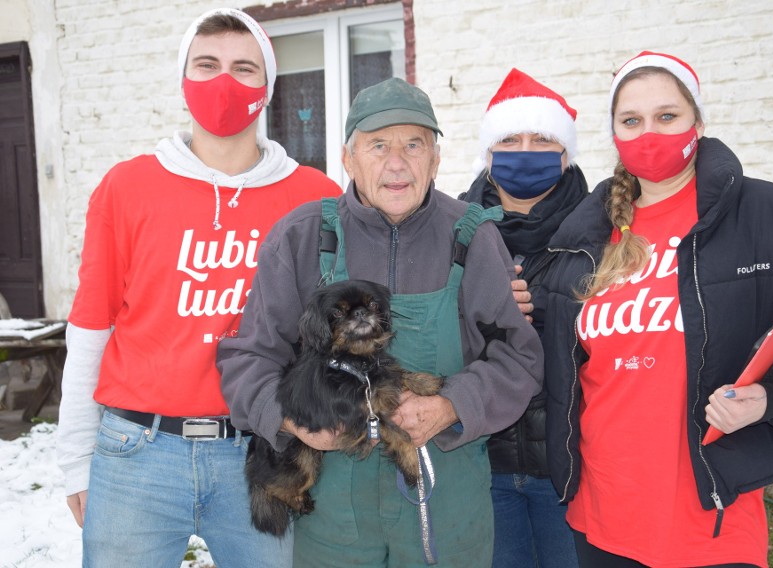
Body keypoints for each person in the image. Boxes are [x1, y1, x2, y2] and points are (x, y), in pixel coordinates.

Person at [540, 51, 773, 567]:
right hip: (601, 512)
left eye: (667, 117)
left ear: (698, 121)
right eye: (631, 121)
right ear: (613, 133)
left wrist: (772, 396)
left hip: (712, 514)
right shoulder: (583, 234)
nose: (649, 134)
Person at [217, 77, 544, 567]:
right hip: (331, 511)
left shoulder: (472, 237)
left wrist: (452, 405)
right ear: (348, 160)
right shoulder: (303, 237)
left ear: (435, 159)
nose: (397, 163)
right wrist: (294, 423)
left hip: (444, 498)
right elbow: (249, 357)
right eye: (378, 146)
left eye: (414, 144)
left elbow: (519, 357)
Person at [55, 8, 341, 567]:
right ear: (183, 81)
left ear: (268, 87)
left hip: (262, 453)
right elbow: (91, 324)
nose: (224, 83)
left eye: (244, 68)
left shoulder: (316, 197)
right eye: (206, 65)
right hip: (137, 453)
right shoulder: (127, 186)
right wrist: (74, 456)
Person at [459, 68, 585, 568]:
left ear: (565, 153)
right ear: (488, 156)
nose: (525, 150)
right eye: (510, 139)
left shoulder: (600, 233)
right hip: (480, 462)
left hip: (571, 468)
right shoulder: (454, 230)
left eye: (542, 139)